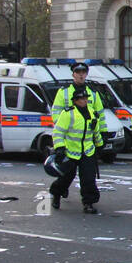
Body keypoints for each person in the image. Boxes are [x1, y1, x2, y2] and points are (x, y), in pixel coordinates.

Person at [49, 85, 102, 213]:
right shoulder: (68, 113)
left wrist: (100, 145)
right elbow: (58, 132)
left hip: (87, 151)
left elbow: (95, 132)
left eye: (85, 98)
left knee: (89, 178)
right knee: (66, 177)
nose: (84, 101)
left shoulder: (92, 113)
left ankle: (88, 203)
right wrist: (60, 147)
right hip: (71, 151)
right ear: (75, 101)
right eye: (81, 99)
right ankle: (57, 194)